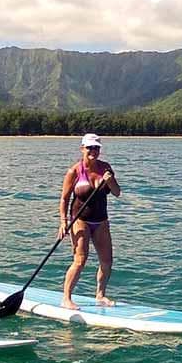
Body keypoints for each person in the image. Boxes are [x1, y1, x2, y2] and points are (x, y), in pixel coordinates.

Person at [59, 133, 121, 310]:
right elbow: (64, 199)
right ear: (82, 149)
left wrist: (111, 181)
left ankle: (100, 295)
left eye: (96, 148)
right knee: (80, 260)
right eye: (90, 147)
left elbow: (117, 192)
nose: (93, 150)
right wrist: (63, 221)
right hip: (80, 220)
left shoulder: (106, 168)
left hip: (101, 221)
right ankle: (66, 298)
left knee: (107, 261)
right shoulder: (74, 171)